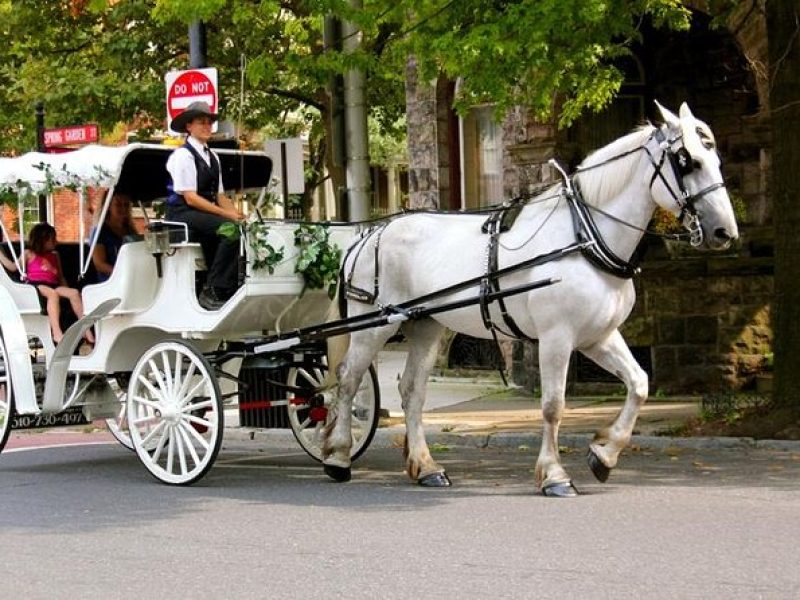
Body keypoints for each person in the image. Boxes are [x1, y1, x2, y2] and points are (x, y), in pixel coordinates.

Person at [165, 101, 243, 310]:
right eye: (202, 122)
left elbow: (220, 196)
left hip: (201, 212)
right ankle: (212, 289)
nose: (207, 126)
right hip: (182, 213)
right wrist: (228, 218)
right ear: (189, 126)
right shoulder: (183, 155)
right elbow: (191, 198)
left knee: (241, 229)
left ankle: (231, 286)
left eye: (209, 123)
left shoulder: (213, 157)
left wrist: (238, 215)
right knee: (231, 231)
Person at [3, 223, 93, 346]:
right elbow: (13, 267)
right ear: (42, 240)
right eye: (52, 239)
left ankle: (86, 329)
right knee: (52, 294)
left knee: (74, 293)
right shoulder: (29, 253)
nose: (55, 241)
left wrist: (66, 290)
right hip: (36, 285)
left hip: (53, 284)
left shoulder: (55, 255)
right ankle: (56, 332)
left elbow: (60, 276)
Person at [91, 192, 139, 282]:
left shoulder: (130, 230)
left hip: (131, 279)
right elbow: (99, 264)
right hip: (110, 281)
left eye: (126, 204)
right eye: (118, 205)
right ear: (108, 206)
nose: (123, 208)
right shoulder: (100, 232)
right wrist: (121, 274)